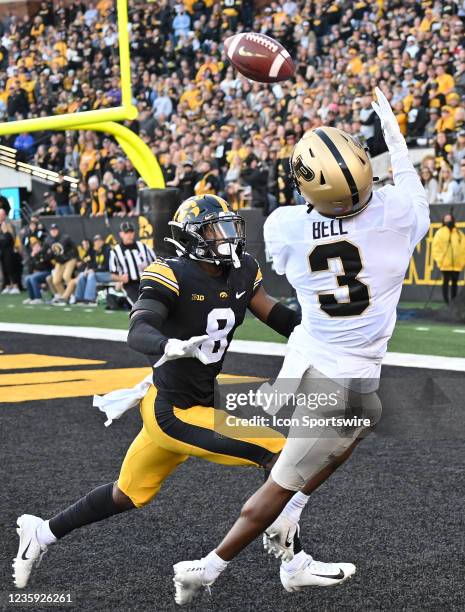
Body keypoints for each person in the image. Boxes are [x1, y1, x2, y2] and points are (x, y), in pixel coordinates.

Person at [172, 89, 431, 605]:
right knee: (284, 481)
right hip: (342, 375)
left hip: (306, 353)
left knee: (361, 421)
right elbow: (406, 180)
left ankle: (289, 517)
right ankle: (209, 567)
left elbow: (298, 250)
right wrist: (393, 135)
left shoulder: (284, 226)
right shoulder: (401, 217)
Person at [12, 195, 331, 590]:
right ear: (191, 238)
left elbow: (275, 314)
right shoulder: (171, 272)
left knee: (126, 493)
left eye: (228, 227)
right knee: (281, 454)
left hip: (191, 401)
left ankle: (40, 533)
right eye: (214, 231)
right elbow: (139, 326)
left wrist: (326, 335)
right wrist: (167, 346)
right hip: (174, 411)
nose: (225, 238)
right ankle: (294, 563)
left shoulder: (243, 269)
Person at [109, 221, 155, 305]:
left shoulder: (144, 247)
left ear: (134, 233)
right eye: (126, 232)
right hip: (130, 285)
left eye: (131, 232)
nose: (129, 235)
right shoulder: (115, 252)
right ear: (121, 234)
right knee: (140, 306)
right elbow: (113, 275)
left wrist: (149, 268)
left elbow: (156, 264)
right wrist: (120, 279)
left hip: (147, 282)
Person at [432, 212, 465, 304]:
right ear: (443, 220)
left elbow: (463, 248)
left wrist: (462, 262)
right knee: (445, 283)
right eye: (446, 219)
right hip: (445, 264)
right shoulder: (440, 232)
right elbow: (435, 248)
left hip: (457, 265)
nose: (448, 221)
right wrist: (440, 260)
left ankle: (454, 302)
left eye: (449, 219)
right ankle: (446, 302)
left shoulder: (459, 233)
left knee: (455, 283)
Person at [74, 234, 112, 305]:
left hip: (109, 274)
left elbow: (107, 267)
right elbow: (93, 265)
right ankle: (79, 298)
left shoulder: (108, 250)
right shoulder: (96, 252)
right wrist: (87, 270)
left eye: (99, 241)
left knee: (91, 275)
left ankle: (89, 299)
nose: (97, 243)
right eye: (96, 241)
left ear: (103, 241)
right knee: (82, 275)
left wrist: (93, 270)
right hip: (99, 274)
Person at [46, 224, 78, 303]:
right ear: (50, 231)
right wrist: (49, 254)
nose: (54, 231)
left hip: (69, 259)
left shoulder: (65, 238)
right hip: (59, 262)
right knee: (56, 280)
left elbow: (74, 247)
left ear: (58, 230)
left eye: (55, 230)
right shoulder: (48, 240)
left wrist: (77, 258)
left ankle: (74, 295)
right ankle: (64, 297)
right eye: (52, 230)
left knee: (66, 277)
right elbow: (46, 253)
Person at [23, 239, 53, 304]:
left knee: (33, 278)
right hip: (39, 273)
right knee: (27, 278)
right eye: (34, 247)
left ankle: (38, 298)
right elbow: (30, 270)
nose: (36, 248)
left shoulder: (43, 253)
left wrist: (37, 256)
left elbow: (44, 266)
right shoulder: (34, 256)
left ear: (40, 247)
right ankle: (32, 298)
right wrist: (31, 258)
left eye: (38, 246)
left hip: (48, 272)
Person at [0, 207, 21, 294]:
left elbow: (12, 238)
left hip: (10, 249)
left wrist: (5, 233)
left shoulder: (9, 223)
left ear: (4, 215)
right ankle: (7, 285)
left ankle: (15, 285)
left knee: (11, 267)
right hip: (2, 249)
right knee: (4, 267)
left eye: (2, 214)